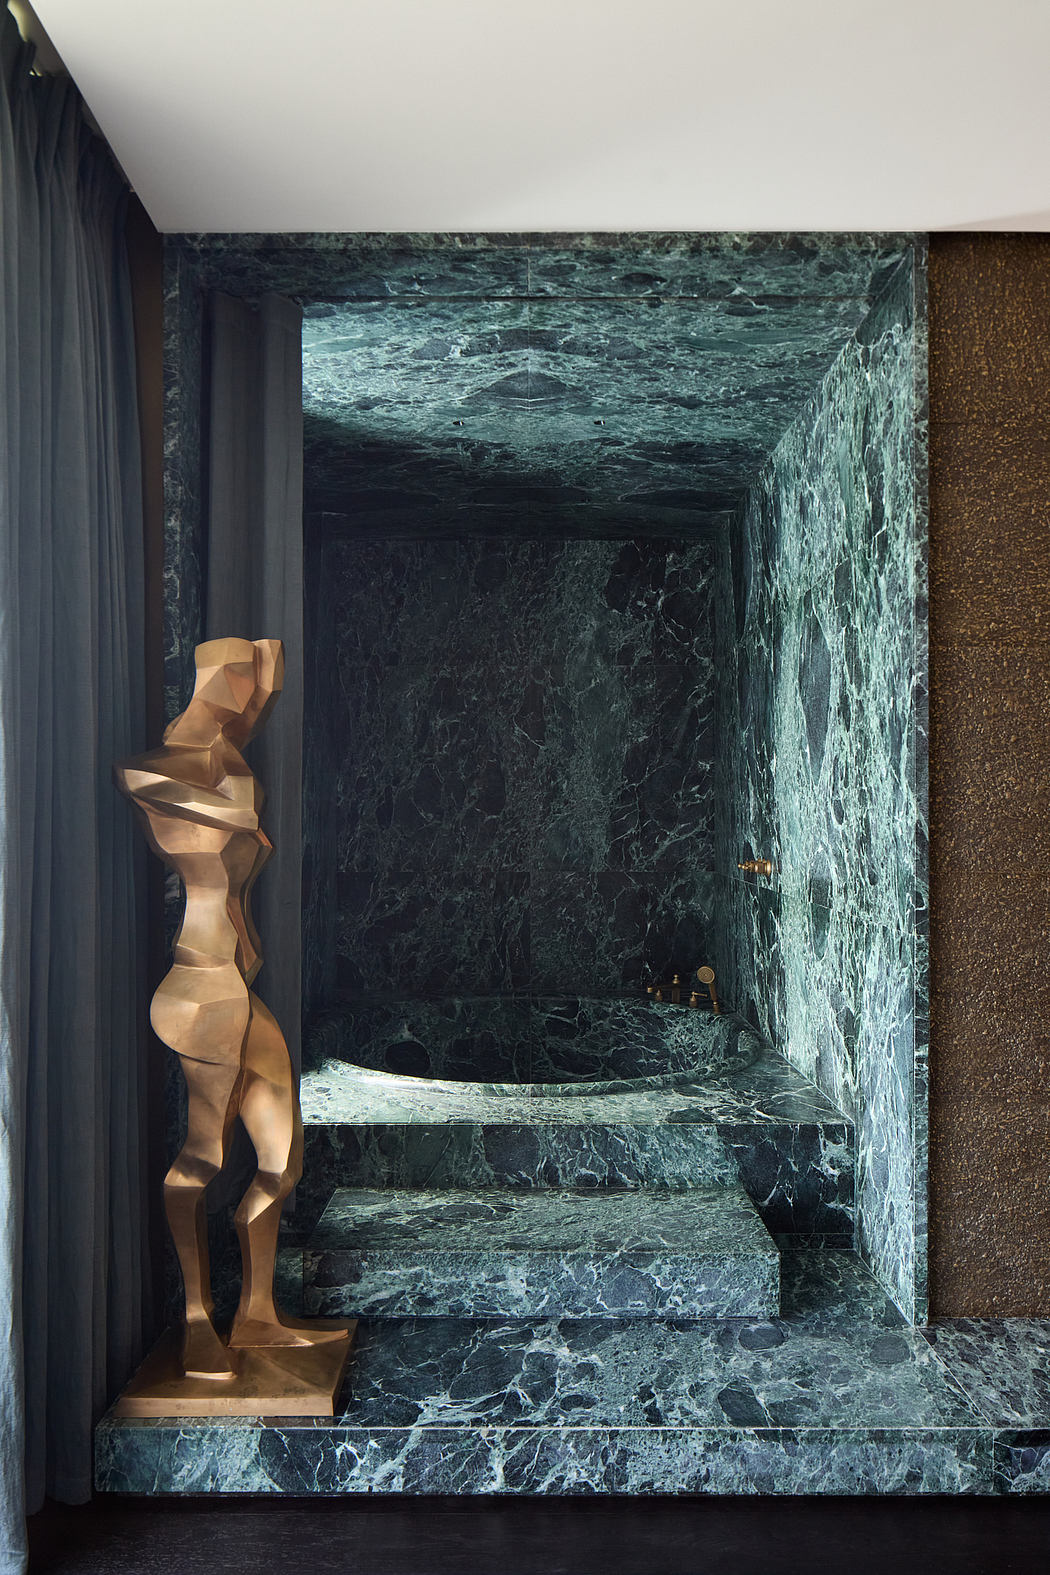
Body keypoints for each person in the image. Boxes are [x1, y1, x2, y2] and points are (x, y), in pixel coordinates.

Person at [115, 637, 346, 1379]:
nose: (253, 696)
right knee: (204, 1156)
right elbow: (143, 779)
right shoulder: (166, 767)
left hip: (241, 992)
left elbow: (257, 715)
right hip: (200, 987)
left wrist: (234, 761)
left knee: (282, 1159)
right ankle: (195, 1320)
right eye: (242, 679)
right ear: (214, 678)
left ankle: (256, 1313)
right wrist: (221, 793)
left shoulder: (228, 765)